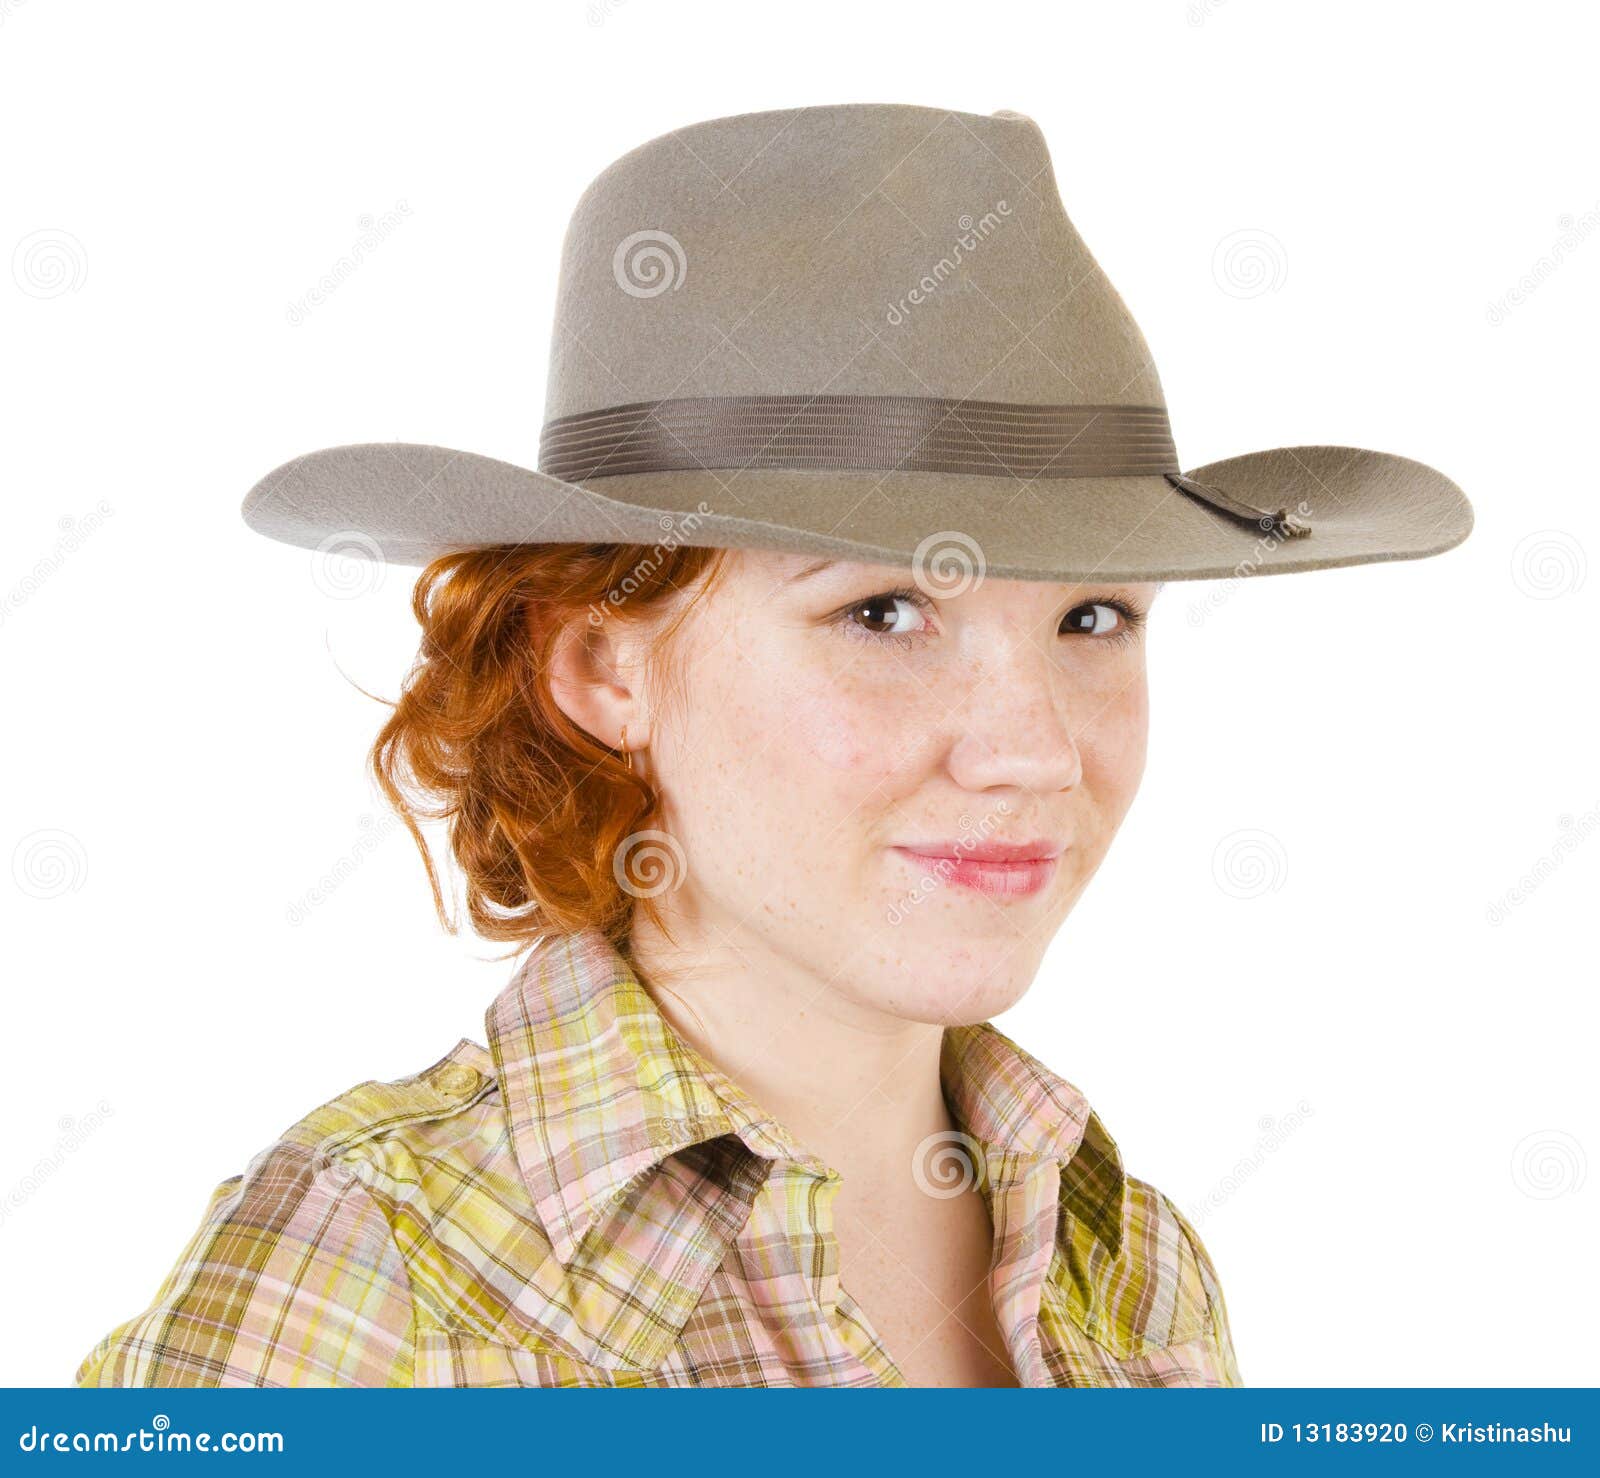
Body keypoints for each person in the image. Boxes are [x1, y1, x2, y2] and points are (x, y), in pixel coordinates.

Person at [75, 102, 1471, 1388]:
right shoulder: (371, 1271)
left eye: (1094, 616)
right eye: (884, 612)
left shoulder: (1131, 1267)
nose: (1033, 750)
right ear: (604, 668)